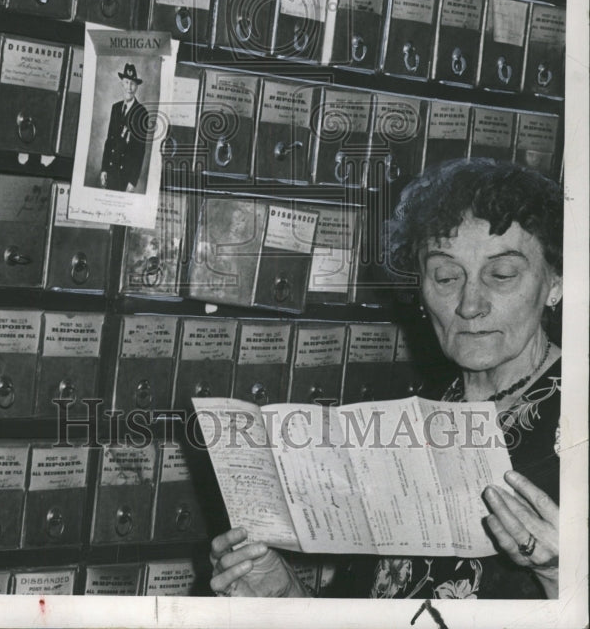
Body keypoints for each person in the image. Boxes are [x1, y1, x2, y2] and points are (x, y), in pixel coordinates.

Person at [210, 158, 563, 601]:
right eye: (447, 276)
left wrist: (561, 576)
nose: (470, 305)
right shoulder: (408, 419)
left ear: (556, 283)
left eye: (502, 275)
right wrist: (284, 594)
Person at [99, 63, 149, 192]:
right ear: (122, 84)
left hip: (125, 177)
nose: (129, 87)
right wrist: (104, 169)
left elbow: (140, 151)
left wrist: (132, 181)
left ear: (137, 87)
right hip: (111, 171)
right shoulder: (115, 108)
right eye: (126, 83)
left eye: (133, 84)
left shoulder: (141, 113)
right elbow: (109, 141)